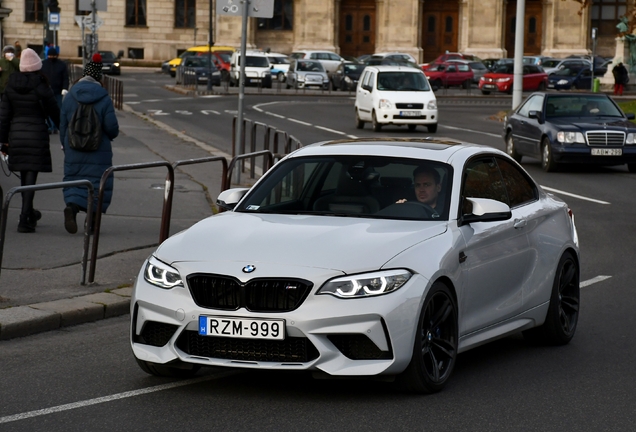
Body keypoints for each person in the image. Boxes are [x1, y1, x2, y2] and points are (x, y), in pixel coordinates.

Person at [0, 48, 60, 233]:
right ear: (36, 67)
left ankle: (28, 213)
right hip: (36, 135)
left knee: (25, 176)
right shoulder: (42, 85)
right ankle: (25, 218)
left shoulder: (10, 85)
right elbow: (55, 112)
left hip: (16, 135)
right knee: (31, 176)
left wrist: (3, 141)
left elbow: (3, 117)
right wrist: (64, 132)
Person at [59, 53, 119, 234]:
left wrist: (65, 144)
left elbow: (63, 124)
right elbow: (112, 128)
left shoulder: (70, 96)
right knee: (97, 184)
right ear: (98, 77)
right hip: (98, 149)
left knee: (74, 180)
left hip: (74, 147)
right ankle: (92, 222)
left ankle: (72, 207)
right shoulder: (104, 98)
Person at [41, 47, 69, 134]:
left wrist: (65, 88)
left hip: (57, 91)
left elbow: (65, 78)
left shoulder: (61, 65)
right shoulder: (43, 64)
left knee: (57, 110)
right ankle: (49, 126)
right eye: (49, 55)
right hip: (46, 91)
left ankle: (55, 126)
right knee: (47, 110)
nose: (51, 57)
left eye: (52, 55)